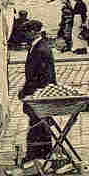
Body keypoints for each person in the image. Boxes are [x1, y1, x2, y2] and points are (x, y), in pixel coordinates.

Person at [17, 20, 56, 162]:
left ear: (33, 32)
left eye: (26, 32)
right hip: (38, 92)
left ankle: (36, 154)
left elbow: (39, 76)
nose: (24, 35)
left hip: (38, 93)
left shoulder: (40, 49)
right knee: (39, 124)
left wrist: (26, 91)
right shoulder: (37, 46)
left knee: (37, 124)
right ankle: (41, 153)